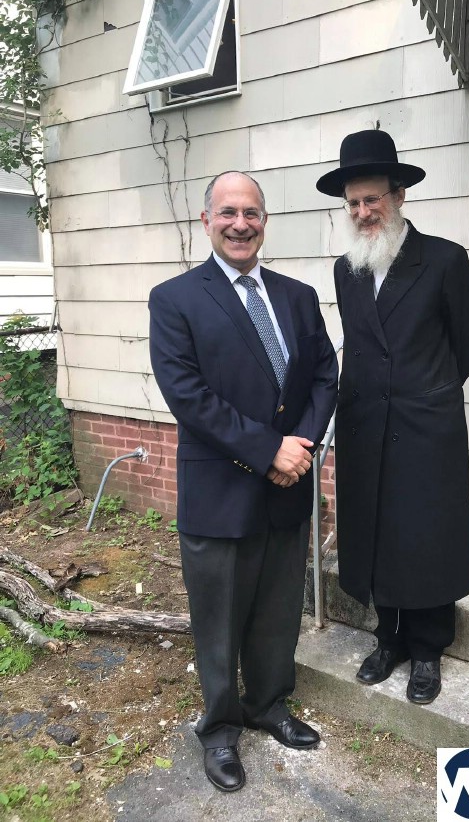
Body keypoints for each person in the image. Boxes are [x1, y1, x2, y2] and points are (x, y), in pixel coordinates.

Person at [148, 171, 338, 792]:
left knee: (278, 610)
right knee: (220, 620)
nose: (240, 224)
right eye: (227, 212)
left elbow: (324, 374)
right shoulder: (175, 299)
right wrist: (268, 450)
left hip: (288, 486)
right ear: (206, 221)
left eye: (251, 213)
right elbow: (188, 396)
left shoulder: (297, 296)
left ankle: (269, 704)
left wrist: (300, 445)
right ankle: (220, 729)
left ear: (264, 222)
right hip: (221, 491)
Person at [316, 130, 469, 705]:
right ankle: (387, 638)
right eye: (353, 203)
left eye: (373, 199)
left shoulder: (445, 260)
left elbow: (464, 347)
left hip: (425, 425)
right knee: (377, 532)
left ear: (399, 195)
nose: (363, 212)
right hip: (364, 424)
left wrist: (426, 395)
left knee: (425, 535)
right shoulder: (346, 270)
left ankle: (428, 647)